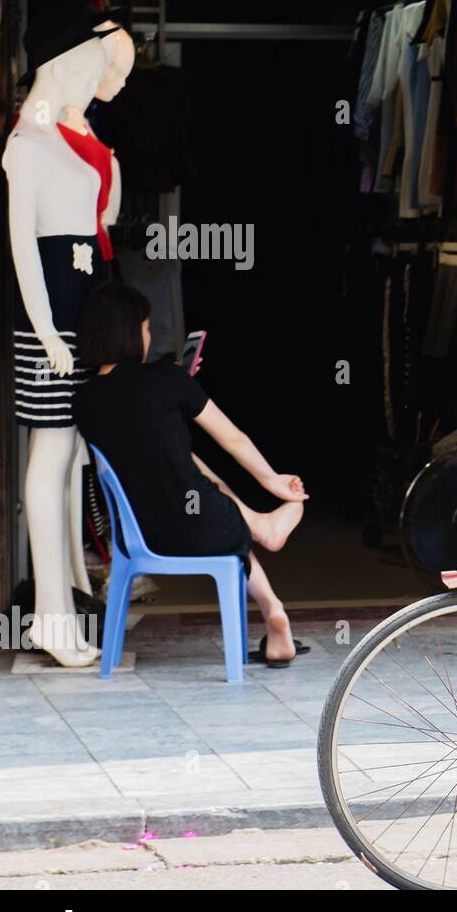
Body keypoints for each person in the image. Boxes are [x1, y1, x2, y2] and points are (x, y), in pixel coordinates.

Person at [75, 282, 309, 665]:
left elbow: (143, 440)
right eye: (147, 328)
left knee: (185, 463)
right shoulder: (168, 381)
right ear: (131, 332)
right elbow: (234, 438)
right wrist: (271, 479)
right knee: (211, 499)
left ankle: (264, 548)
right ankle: (269, 568)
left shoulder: (83, 400)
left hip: (141, 536)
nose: (149, 337)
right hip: (204, 527)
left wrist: (174, 384)